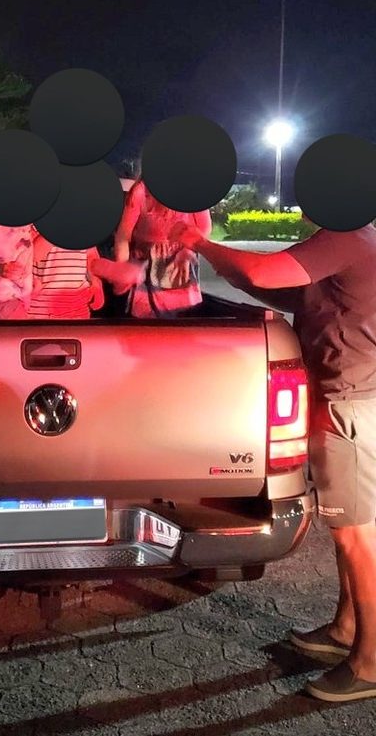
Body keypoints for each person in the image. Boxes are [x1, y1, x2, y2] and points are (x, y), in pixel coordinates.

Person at [170, 215, 376, 702]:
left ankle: (370, 662)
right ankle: (347, 627)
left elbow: (263, 271)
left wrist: (199, 242)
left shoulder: (348, 236)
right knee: (347, 529)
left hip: (349, 403)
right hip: (344, 398)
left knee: (357, 536)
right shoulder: (344, 239)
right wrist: (229, 268)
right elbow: (281, 289)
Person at [114, 177, 212, 317]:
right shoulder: (141, 191)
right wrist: (121, 272)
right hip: (146, 276)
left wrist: (187, 250)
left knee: (183, 321)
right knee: (147, 322)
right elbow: (123, 237)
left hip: (180, 273)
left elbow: (205, 227)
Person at [28, 233, 104, 319]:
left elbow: (91, 256)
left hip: (78, 307)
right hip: (43, 309)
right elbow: (34, 255)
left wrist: (96, 284)